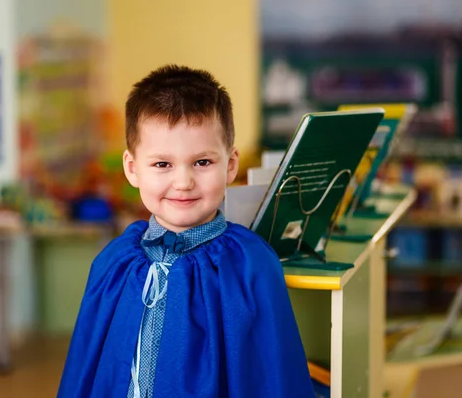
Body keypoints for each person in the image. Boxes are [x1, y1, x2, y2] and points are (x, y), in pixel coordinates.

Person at [57, 64, 314, 397]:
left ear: (230, 165)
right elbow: (85, 373)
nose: (183, 182)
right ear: (133, 169)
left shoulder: (251, 264)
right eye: (162, 164)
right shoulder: (113, 263)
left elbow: (272, 378)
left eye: (202, 162)